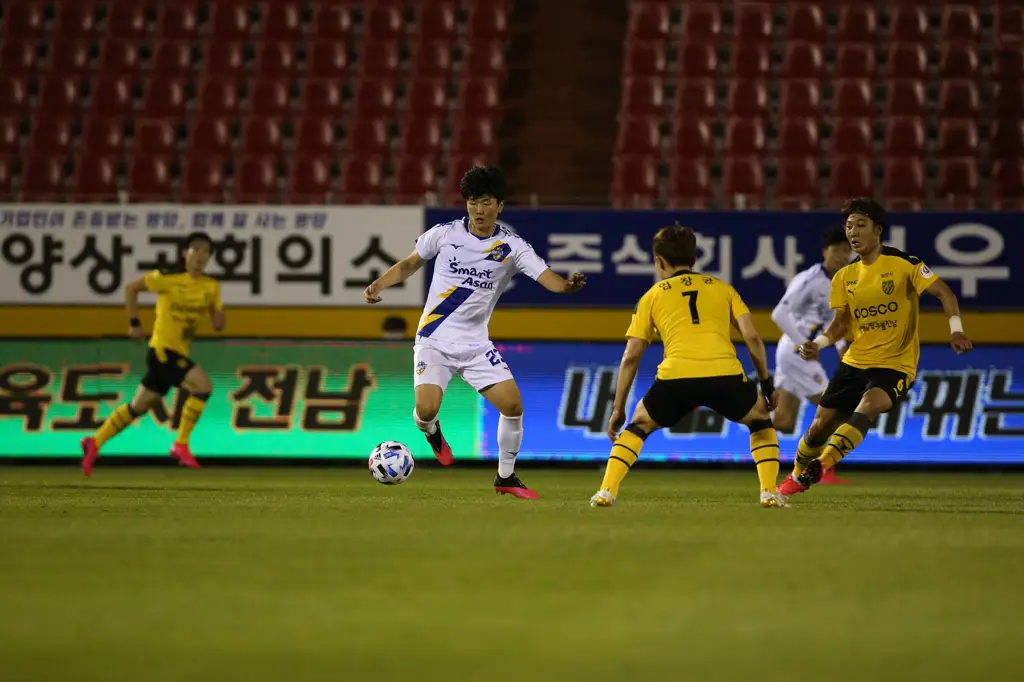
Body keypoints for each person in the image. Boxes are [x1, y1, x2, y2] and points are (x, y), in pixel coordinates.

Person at [363, 166, 586, 499]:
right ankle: (432, 432)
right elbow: (410, 263)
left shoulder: (512, 247)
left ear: (500, 206)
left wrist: (567, 287)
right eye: (472, 203)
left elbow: (547, 278)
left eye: (485, 203)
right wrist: (380, 283)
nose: (478, 210)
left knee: (512, 406)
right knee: (425, 411)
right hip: (434, 340)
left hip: (476, 345)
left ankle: (506, 478)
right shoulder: (444, 234)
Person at [778, 198, 973, 499]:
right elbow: (841, 323)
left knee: (870, 405)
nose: (853, 232)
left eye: (860, 225)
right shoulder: (844, 277)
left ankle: (822, 465)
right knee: (819, 426)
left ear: (878, 230)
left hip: (896, 363)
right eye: (848, 226)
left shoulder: (905, 264)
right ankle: (796, 474)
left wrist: (956, 330)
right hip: (855, 361)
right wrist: (817, 344)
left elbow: (944, 293)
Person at [590, 223, 787, 509]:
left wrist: (618, 408)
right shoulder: (723, 289)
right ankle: (769, 492)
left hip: (675, 377)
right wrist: (766, 384)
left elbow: (631, 355)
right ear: (695, 258)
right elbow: (753, 337)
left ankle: (606, 492)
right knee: (759, 421)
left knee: (639, 425)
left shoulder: (651, 296)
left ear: (659, 262)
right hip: (725, 374)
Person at [80, 232, 225, 477]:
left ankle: (95, 442)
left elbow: (218, 322)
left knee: (138, 406)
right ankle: (181, 444)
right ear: (184, 253)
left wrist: (217, 313)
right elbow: (131, 288)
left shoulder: (211, 286)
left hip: (177, 351)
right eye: (196, 249)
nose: (201, 255)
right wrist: (134, 322)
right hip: (162, 350)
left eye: (206, 251)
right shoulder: (167, 278)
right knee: (203, 386)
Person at [770, 227, 853, 485]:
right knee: (834, 413)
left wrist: (842, 352)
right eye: (835, 250)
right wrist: (805, 344)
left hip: (798, 352)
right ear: (824, 252)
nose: (841, 256)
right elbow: (778, 314)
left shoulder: (840, 282)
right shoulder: (809, 279)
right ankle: (822, 470)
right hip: (797, 353)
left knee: (783, 421)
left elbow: (833, 323)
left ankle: (747, 411)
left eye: (845, 251)